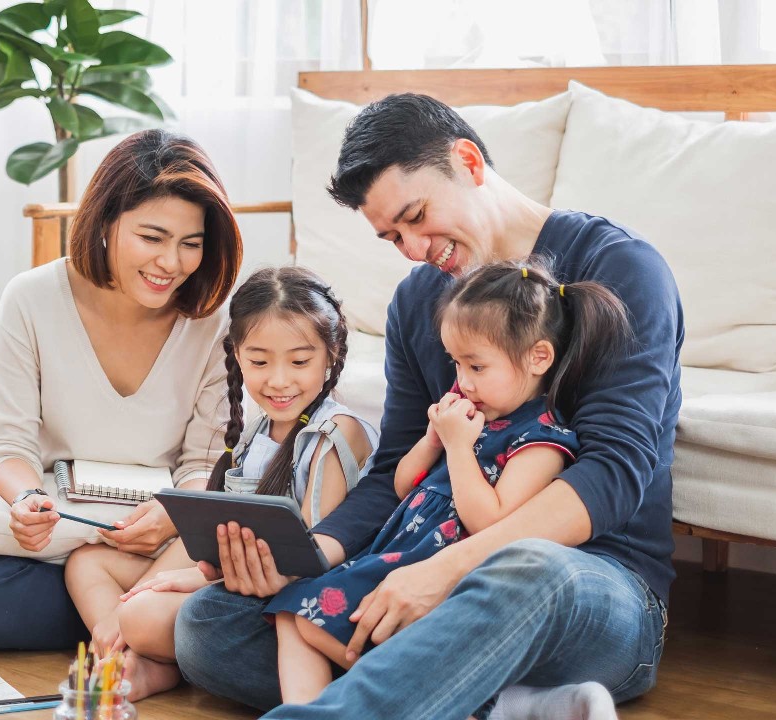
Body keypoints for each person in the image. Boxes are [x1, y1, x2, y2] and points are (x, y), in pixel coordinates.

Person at [174, 93, 683, 720]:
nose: (414, 248)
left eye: (416, 216)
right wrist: (307, 560)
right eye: (393, 236)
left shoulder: (621, 267)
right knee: (209, 623)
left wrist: (448, 570)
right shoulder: (418, 304)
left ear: (467, 161)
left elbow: (615, 473)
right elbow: (392, 470)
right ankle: (513, 707)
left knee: (528, 571)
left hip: (588, 584)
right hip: (422, 568)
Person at [267, 258, 630, 704]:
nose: (461, 382)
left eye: (477, 367)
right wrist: (431, 442)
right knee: (291, 612)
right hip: (397, 556)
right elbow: (404, 487)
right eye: (456, 364)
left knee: (307, 617)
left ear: (538, 357)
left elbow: (488, 523)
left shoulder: (541, 442)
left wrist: (460, 448)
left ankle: (457, 704)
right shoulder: (469, 417)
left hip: (450, 579)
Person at [0, 129, 243, 652]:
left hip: (160, 539)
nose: (171, 263)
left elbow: (206, 464)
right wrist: (27, 497)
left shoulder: (215, 323)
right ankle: (146, 624)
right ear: (105, 221)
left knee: (225, 555)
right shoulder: (31, 299)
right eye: (152, 237)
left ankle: (127, 617)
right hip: (65, 531)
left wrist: (173, 512)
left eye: (191, 244)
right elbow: (4, 446)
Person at [64, 266, 379, 700]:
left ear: (331, 354)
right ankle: (131, 656)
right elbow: (217, 534)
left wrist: (193, 582)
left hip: (285, 595)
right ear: (237, 355)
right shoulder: (256, 433)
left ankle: (143, 653)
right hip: (230, 576)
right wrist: (182, 577)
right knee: (86, 564)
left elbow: (306, 560)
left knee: (141, 614)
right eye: (260, 361)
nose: (279, 379)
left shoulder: (336, 432)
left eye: (300, 362)